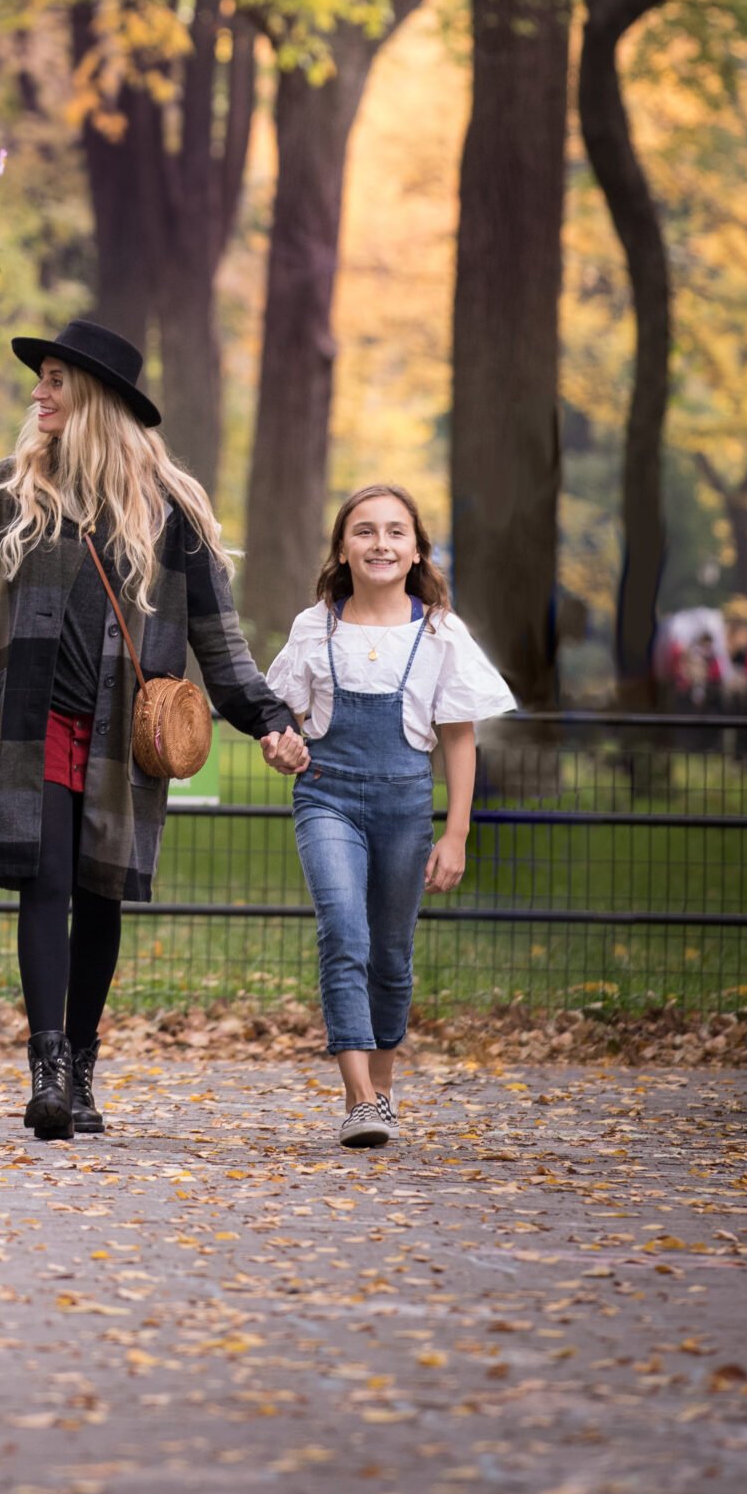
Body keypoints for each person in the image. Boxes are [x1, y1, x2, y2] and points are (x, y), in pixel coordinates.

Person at [0, 316, 305, 1142]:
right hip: (32, 723)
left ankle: (85, 1065)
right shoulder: (6, 492)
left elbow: (221, 644)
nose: (39, 392)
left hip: (122, 732)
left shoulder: (171, 512)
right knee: (45, 880)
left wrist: (267, 719)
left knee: (99, 895)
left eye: (56, 379)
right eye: (42, 378)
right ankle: (48, 1068)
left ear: (93, 396)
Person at [264, 483, 512, 1149]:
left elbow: (459, 738)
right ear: (343, 548)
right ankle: (360, 1100)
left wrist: (456, 833)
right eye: (365, 531)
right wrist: (279, 748)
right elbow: (279, 724)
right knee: (344, 935)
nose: (380, 543)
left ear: (415, 549)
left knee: (392, 957)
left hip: (406, 807)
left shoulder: (439, 633)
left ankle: (381, 1093)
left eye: (395, 532)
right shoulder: (312, 626)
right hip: (327, 798)